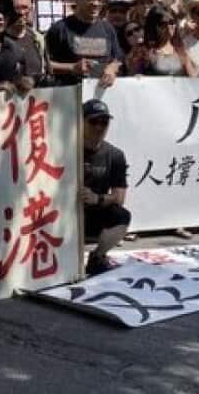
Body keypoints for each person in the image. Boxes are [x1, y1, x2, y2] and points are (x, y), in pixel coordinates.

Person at [80, 100, 131, 275]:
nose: (99, 127)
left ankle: (98, 257)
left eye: (104, 122)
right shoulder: (65, 149)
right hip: (63, 213)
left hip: (93, 215)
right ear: (81, 121)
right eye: (93, 122)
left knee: (121, 216)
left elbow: (119, 197)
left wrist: (97, 198)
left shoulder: (115, 155)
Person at [45, 0, 123, 88]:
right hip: (68, 93)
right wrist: (72, 68)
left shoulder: (108, 29)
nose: (95, 3)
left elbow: (118, 59)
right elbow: (44, 65)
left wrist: (113, 68)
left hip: (101, 93)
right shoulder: (59, 29)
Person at [137, 5, 197, 77]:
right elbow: (136, 77)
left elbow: (193, 77)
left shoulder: (181, 50)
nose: (168, 27)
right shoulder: (144, 51)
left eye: (171, 22)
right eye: (163, 24)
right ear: (153, 26)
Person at [7, 0, 46, 85]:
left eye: (25, 7)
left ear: (31, 9)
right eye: (16, 8)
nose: (21, 12)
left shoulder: (37, 39)